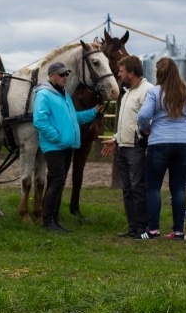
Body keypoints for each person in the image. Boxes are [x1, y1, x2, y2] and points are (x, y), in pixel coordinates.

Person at [136, 57, 186, 240]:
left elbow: (143, 116)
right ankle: (178, 231)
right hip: (184, 144)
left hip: (159, 143)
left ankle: (153, 230)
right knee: (178, 188)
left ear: (158, 73)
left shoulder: (155, 92)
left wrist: (147, 129)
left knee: (153, 187)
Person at [33, 61, 104, 233]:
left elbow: (74, 118)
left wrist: (93, 112)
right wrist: (56, 137)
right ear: (51, 76)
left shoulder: (64, 94)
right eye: (62, 74)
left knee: (59, 182)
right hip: (54, 146)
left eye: (67, 74)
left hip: (65, 146)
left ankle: (54, 220)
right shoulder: (44, 94)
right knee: (57, 181)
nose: (66, 77)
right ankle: (48, 221)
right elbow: (39, 121)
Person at [101, 55, 152, 238]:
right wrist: (116, 139)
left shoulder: (148, 91)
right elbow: (127, 122)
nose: (119, 74)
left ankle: (143, 228)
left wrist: (146, 142)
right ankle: (133, 227)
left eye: (121, 71)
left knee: (138, 188)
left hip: (137, 148)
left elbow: (150, 122)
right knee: (127, 189)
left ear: (131, 73)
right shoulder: (128, 92)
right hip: (123, 147)